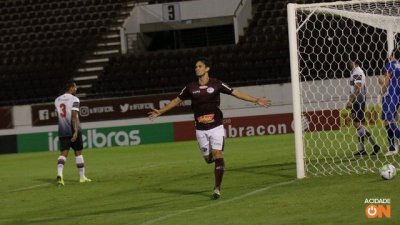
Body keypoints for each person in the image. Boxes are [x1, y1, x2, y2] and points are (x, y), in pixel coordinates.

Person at [148, 57, 271, 199]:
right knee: (208, 159)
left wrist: (255, 100)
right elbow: (177, 100)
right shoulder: (190, 87)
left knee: (218, 154)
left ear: (207, 68)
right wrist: (160, 111)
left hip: (216, 126)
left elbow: (235, 92)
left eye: (199, 66)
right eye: (195, 66)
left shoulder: (217, 84)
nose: (196, 68)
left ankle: (217, 188)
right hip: (200, 129)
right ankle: (216, 161)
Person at [54, 81, 91, 186]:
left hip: (62, 129)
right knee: (78, 152)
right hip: (74, 128)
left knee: (63, 153)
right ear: (70, 88)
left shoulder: (57, 100)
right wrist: (75, 131)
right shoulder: (75, 99)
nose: (76, 89)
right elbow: (74, 115)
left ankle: (60, 175)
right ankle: (82, 177)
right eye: (75, 87)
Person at [345, 55, 380, 156]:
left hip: (358, 100)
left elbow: (358, 88)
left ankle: (373, 145)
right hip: (358, 99)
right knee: (359, 125)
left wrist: (351, 101)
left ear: (355, 61)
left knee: (357, 124)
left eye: (350, 61)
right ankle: (363, 149)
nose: (348, 62)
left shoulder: (357, 72)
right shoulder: (355, 72)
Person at [379, 48, 400, 156]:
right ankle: (393, 147)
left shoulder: (389, 65)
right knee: (395, 120)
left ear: (391, 55)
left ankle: (393, 147)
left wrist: (382, 90)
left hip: (390, 96)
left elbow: (386, 79)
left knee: (388, 121)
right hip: (398, 94)